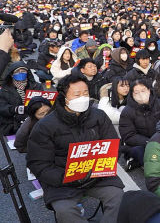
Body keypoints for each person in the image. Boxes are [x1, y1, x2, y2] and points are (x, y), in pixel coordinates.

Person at [26, 74, 124, 222]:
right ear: (64, 97)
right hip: (62, 180)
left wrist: (102, 168)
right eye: (77, 94)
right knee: (65, 211)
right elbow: (38, 163)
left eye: (85, 93)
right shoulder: (45, 126)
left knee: (118, 197)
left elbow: (114, 145)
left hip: (96, 176)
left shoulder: (99, 116)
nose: (83, 98)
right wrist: (66, 177)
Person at [119, 80, 160, 171]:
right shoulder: (127, 111)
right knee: (151, 162)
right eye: (136, 92)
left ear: (149, 90)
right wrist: (149, 142)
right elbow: (128, 135)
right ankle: (135, 160)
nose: (140, 94)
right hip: (141, 144)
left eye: (143, 90)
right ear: (132, 94)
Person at [0, 62, 43, 135]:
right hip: (12, 122)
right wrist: (16, 109)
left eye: (23, 71)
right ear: (12, 74)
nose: (21, 73)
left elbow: (43, 102)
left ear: (27, 72)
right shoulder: (4, 89)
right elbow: (2, 107)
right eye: (17, 71)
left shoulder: (36, 86)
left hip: (33, 118)